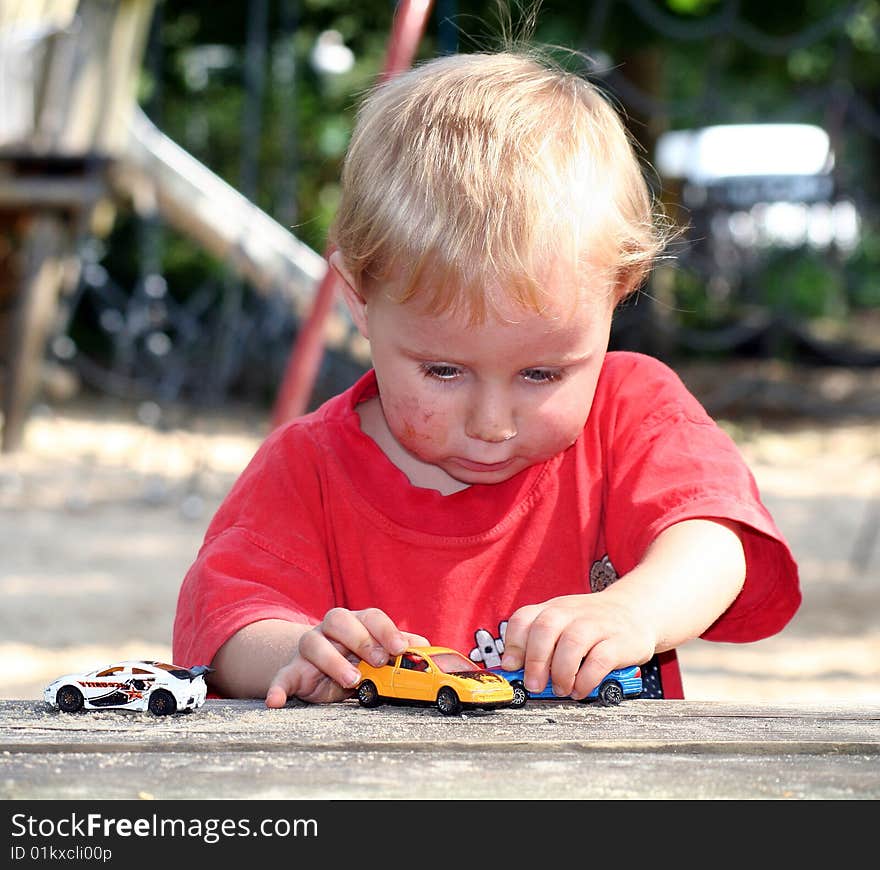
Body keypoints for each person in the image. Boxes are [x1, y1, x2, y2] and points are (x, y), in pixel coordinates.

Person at [172, 49, 800, 707]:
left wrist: (634, 610)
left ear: (619, 292)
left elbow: (715, 543)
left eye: (541, 373)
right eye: (444, 371)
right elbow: (226, 625)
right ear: (358, 298)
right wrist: (300, 651)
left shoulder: (631, 413)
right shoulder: (305, 471)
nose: (492, 424)